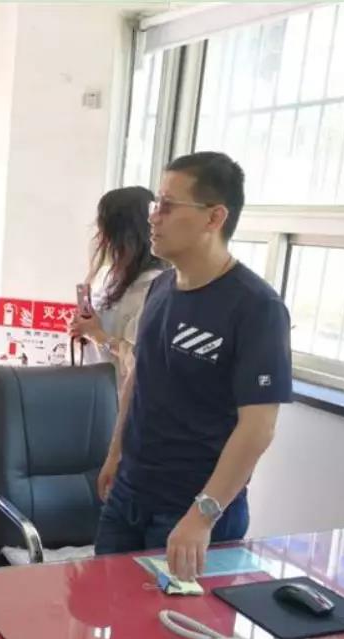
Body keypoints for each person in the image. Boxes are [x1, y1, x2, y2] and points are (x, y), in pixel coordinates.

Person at [94, 152, 292, 583]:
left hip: (192, 510)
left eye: (167, 206)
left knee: (173, 624)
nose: (153, 217)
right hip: (130, 495)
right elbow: (138, 379)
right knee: (109, 609)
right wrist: (115, 453)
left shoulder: (256, 307)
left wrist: (203, 515)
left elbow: (258, 428)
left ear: (214, 217)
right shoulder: (161, 287)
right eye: (155, 205)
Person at [69, 186, 166, 388]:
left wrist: (98, 336)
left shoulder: (155, 286)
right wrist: (82, 332)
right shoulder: (106, 276)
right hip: (90, 388)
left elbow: (140, 360)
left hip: (121, 396)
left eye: (106, 230)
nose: (100, 238)